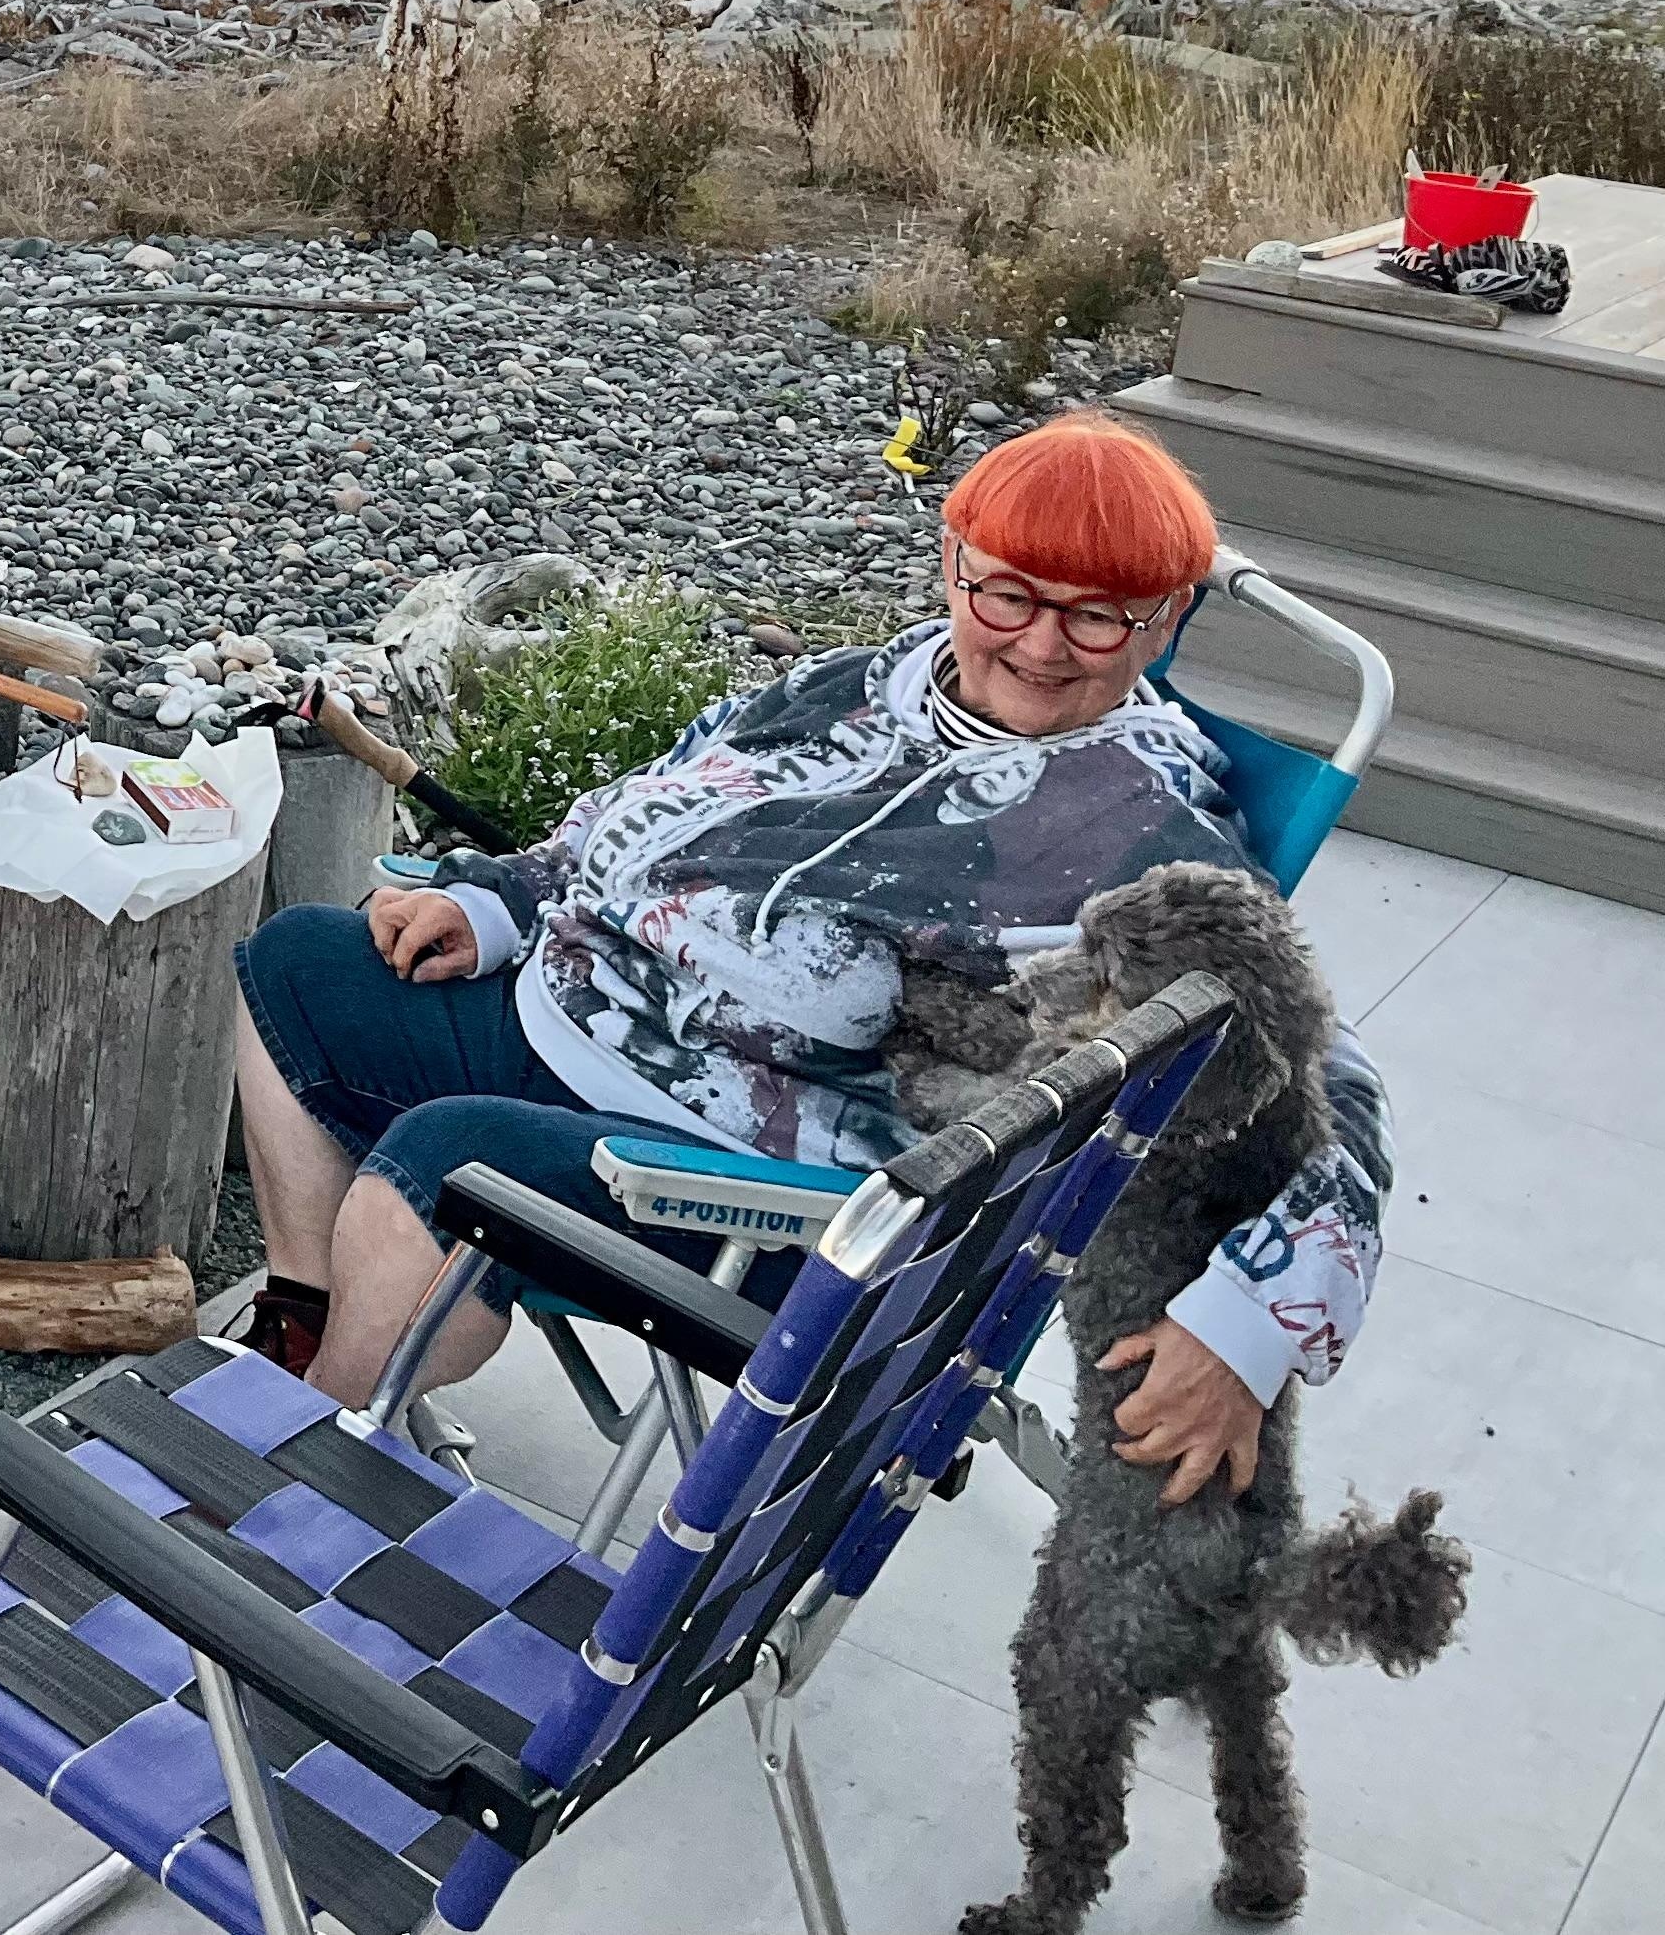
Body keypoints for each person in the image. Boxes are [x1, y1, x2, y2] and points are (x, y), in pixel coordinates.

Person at [230, 411, 1390, 1506]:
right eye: (1006, 592)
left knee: (444, 1165)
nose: (1039, 642)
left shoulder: (1145, 845)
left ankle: (299, 1462)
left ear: (1165, 618)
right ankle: (309, 1310)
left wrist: (1247, 1329)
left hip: (766, 1194)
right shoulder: (853, 688)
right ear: (952, 566)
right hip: (570, 1025)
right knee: (295, 961)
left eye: (1096, 616)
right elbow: (640, 809)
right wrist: (504, 898)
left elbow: (1327, 1091)